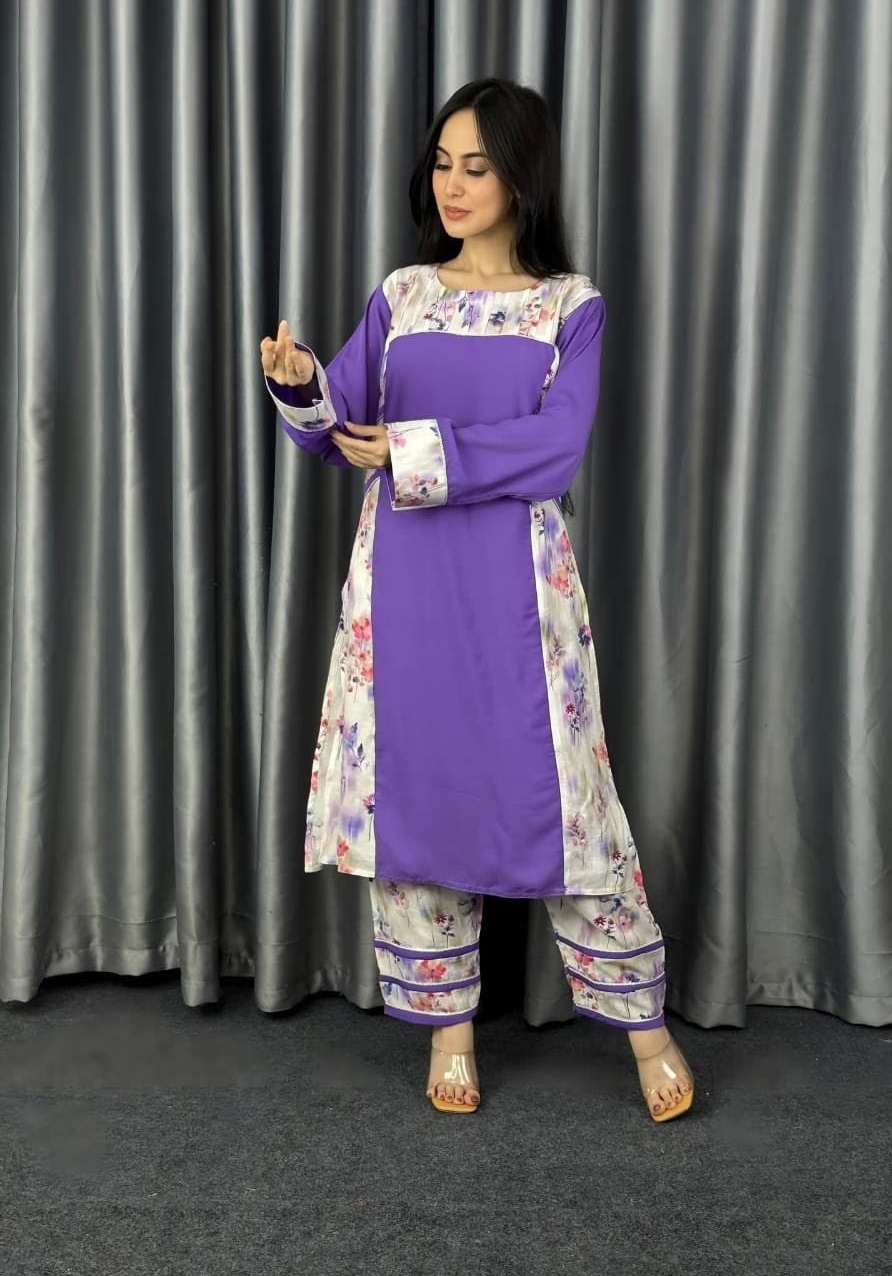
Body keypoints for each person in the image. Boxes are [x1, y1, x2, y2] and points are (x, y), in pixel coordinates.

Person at [260, 78, 694, 1121]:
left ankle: (645, 1028)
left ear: (521, 178)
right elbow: (340, 429)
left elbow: (555, 447)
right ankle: (447, 1030)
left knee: (568, 807)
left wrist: (413, 448)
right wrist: (300, 381)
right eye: (442, 164)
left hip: (519, 598)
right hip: (403, 589)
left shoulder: (569, 306)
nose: (452, 186)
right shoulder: (403, 295)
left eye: (477, 167)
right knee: (419, 800)